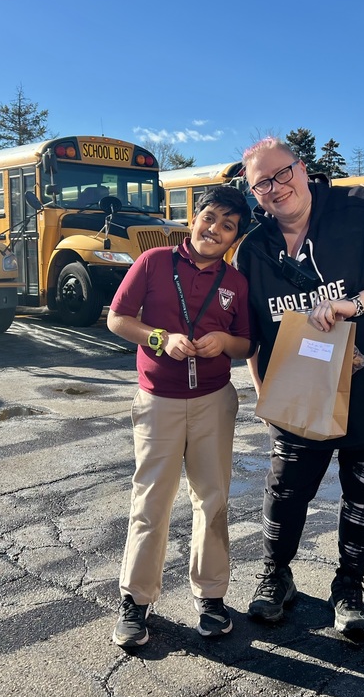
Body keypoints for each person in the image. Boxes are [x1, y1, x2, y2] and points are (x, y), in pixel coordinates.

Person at [233, 137, 364, 636]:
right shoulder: (254, 251)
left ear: (303, 169)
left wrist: (355, 305)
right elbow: (254, 333)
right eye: (262, 183)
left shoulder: (363, 210)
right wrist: (264, 393)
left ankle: (348, 587)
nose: (276, 187)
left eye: (283, 173)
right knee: (285, 491)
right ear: (254, 193)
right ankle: (276, 576)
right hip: (299, 396)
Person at [107, 186, 254, 648]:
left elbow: (247, 342)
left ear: (235, 238)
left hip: (214, 401)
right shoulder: (153, 262)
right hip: (159, 401)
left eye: (227, 226)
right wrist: (159, 339)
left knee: (212, 500)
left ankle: (210, 596)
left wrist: (223, 343)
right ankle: (135, 601)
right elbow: (117, 318)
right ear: (194, 217)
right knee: (151, 501)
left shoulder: (236, 282)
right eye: (209, 217)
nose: (214, 230)